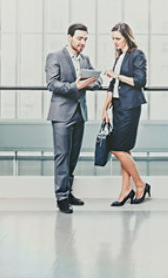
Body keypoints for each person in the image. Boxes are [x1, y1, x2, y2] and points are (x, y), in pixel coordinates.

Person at [45, 23, 100, 214]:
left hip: (79, 113)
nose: (83, 42)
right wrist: (76, 86)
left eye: (85, 39)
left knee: (74, 155)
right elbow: (52, 84)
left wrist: (92, 83)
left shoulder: (85, 59)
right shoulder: (55, 56)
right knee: (62, 155)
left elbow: (97, 81)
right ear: (69, 38)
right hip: (61, 114)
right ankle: (61, 197)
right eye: (79, 38)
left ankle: (68, 192)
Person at [101, 22, 151, 205]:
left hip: (130, 106)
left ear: (127, 37)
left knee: (116, 147)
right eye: (113, 39)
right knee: (125, 149)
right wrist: (105, 108)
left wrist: (117, 75)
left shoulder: (137, 55)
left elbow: (140, 81)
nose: (115, 42)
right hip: (118, 105)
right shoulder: (120, 56)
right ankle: (125, 189)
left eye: (118, 39)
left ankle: (139, 184)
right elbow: (113, 85)